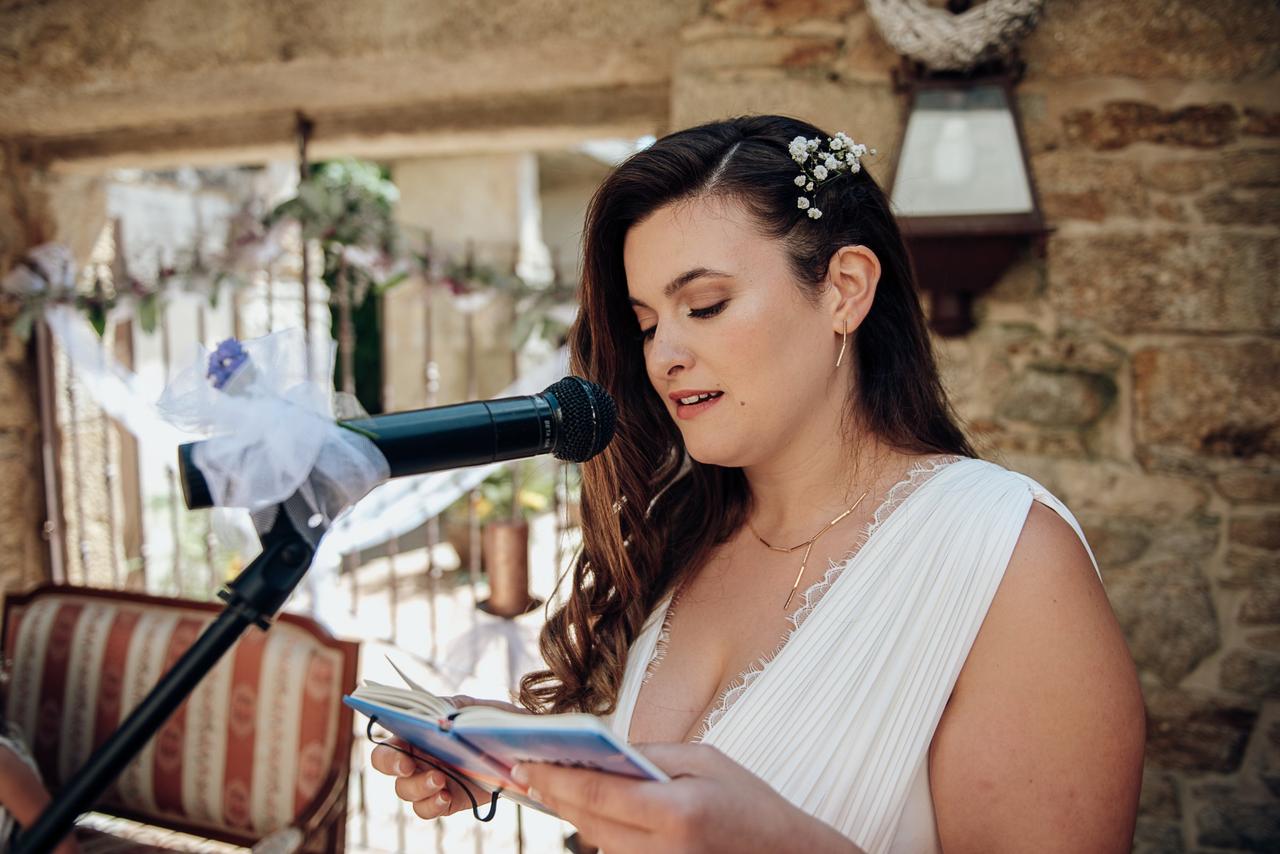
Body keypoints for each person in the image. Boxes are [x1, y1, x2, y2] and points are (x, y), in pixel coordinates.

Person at [370, 115, 1146, 853]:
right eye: (646, 323)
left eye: (703, 306)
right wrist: (521, 757)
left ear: (844, 288)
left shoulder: (1004, 554)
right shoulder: (685, 538)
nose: (663, 354)